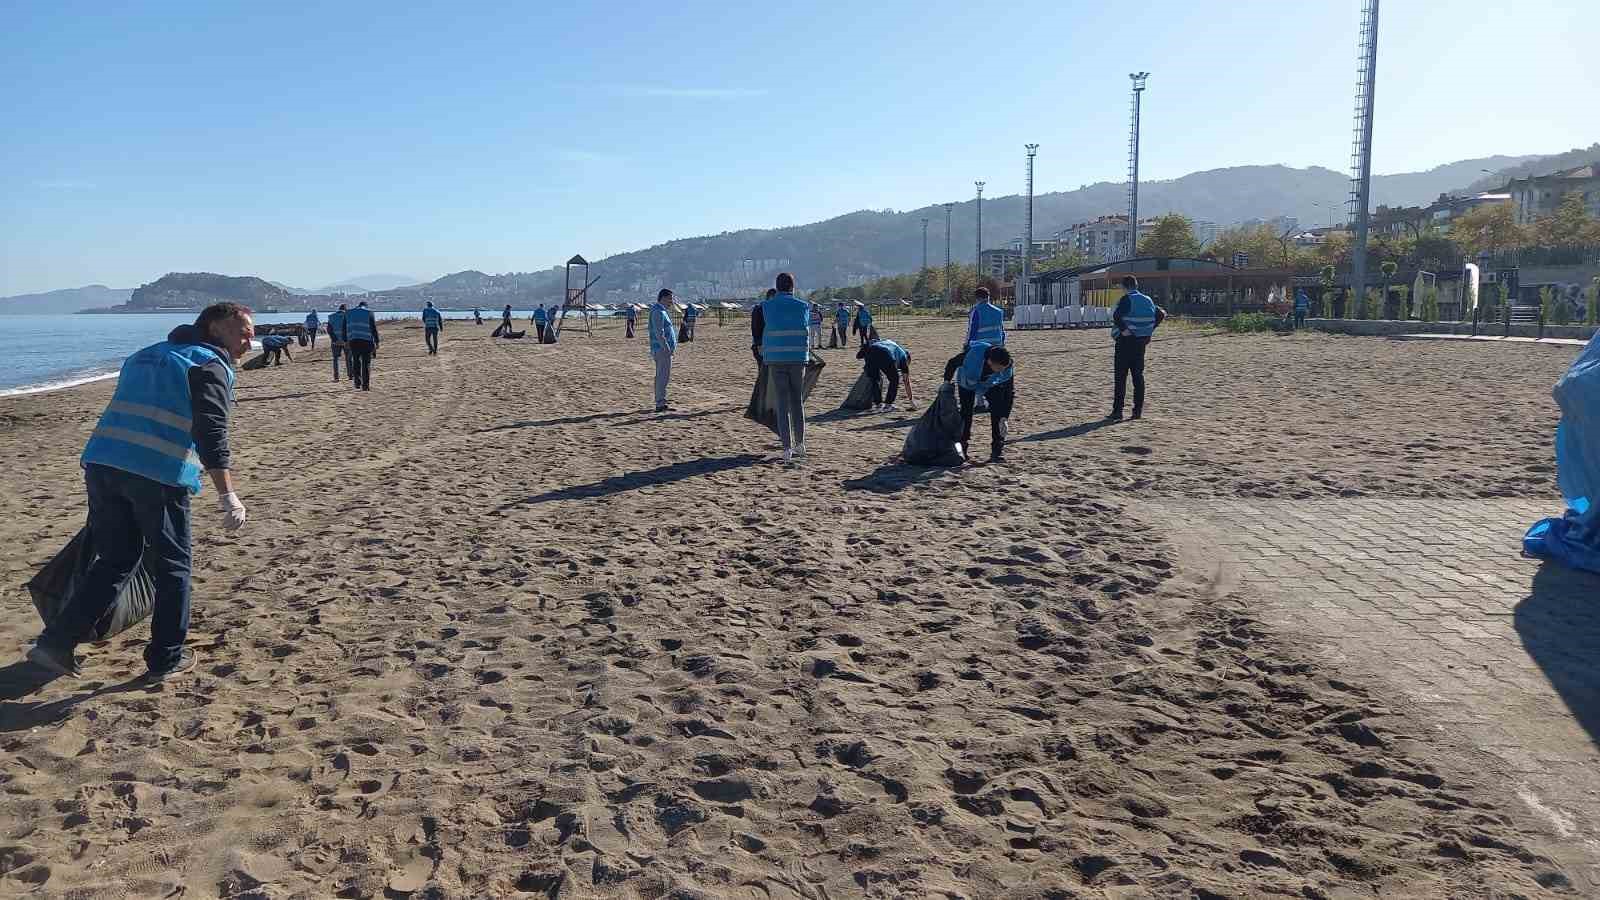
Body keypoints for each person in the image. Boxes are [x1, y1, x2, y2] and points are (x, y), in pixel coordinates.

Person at [27, 302, 254, 680]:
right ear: (215, 328)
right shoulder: (208, 366)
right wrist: (227, 495)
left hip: (102, 462)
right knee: (173, 567)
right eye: (243, 331)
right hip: (155, 474)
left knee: (116, 558)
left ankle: (56, 643)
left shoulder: (145, 355)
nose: (251, 339)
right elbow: (212, 434)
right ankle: (167, 658)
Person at [760, 273, 811, 461]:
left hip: (776, 359)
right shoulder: (803, 306)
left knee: (782, 404)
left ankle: (786, 448)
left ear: (777, 286)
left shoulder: (766, 306)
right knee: (797, 401)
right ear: (792, 286)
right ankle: (800, 443)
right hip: (798, 358)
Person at [944, 341, 1014, 465]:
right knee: (966, 414)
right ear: (990, 362)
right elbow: (952, 363)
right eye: (998, 369)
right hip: (967, 382)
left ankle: (997, 452)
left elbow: (1008, 394)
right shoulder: (973, 355)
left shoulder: (1006, 366)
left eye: (1003, 369)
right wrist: (946, 382)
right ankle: (961, 451)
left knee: (998, 412)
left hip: (990, 384)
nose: (1000, 372)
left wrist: (1005, 417)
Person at [1108, 275, 1166, 421]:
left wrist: (1124, 330)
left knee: (1120, 377)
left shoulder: (1127, 299)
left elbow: (1117, 316)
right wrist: (1150, 330)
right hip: (1141, 342)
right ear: (1136, 285)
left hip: (1126, 342)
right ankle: (1137, 411)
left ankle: (1117, 411)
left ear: (1124, 287)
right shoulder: (1148, 299)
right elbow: (1161, 313)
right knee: (1138, 377)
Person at [858, 337, 913, 412]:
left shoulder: (890, 343)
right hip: (884, 353)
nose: (899, 368)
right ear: (908, 359)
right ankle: (888, 405)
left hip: (870, 351)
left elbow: (872, 343)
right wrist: (911, 400)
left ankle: (878, 404)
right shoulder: (903, 357)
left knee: (875, 380)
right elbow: (906, 382)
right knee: (894, 379)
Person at [649, 289, 678, 412]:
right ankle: (660, 403)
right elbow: (659, 333)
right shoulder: (657, 311)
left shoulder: (661, 310)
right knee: (662, 376)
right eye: (670, 298)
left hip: (662, 349)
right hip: (661, 350)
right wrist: (666, 348)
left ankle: (661, 400)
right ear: (663, 298)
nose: (671, 301)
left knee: (662, 376)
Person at [342, 300, 380, 391]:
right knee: (366, 363)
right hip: (366, 341)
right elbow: (373, 328)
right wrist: (377, 341)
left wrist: (345, 340)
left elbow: (344, 328)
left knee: (356, 361)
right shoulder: (369, 313)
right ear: (366, 306)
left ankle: (357, 382)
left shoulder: (348, 313)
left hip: (353, 340)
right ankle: (365, 385)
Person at [751, 288, 776, 363]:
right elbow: (755, 329)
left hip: (766, 345)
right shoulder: (759, 308)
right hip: (761, 345)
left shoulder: (771, 309)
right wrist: (759, 344)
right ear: (770, 297)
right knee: (764, 370)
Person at [328, 303, 348, 382]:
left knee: (335, 359)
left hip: (335, 341)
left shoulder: (331, 316)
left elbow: (329, 330)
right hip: (346, 341)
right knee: (349, 358)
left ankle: (336, 377)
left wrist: (334, 339)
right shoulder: (348, 316)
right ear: (345, 309)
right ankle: (350, 375)